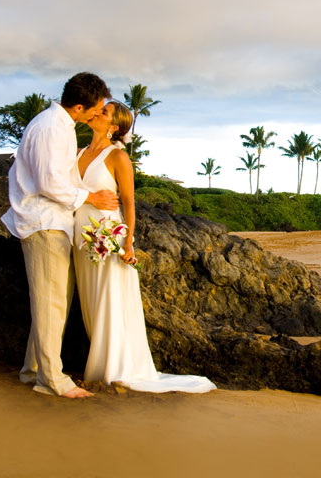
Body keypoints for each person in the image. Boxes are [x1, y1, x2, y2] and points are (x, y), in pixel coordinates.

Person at [73, 101, 216, 393]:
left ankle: (115, 368)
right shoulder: (77, 154)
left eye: (104, 112)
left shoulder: (117, 157)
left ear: (114, 127)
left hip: (109, 239)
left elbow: (129, 203)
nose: (96, 112)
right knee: (90, 303)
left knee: (108, 301)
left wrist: (128, 242)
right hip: (82, 240)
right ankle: (101, 362)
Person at [1, 72, 118, 398]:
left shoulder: (60, 126)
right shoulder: (51, 128)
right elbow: (49, 183)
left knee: (54, 301)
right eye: (95, 108)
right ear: (79, 106)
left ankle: (33, 370)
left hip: (54, 222)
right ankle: (51, 379)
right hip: (43, 222)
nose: (98, 113)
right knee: (51, 302)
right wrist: (92, 199)